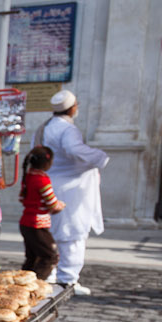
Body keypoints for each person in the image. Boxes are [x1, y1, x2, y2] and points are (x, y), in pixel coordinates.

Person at [31, 90, 108, 295]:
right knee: (73, 233)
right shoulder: (67, 130)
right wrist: (99, 157)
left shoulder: (44, 128)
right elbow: (74, 150)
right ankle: (68, 279)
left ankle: (51, 275)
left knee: (52, 232)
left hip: (52, 184)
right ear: (73, 108)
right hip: (70, 190)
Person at [18, 146, 65, 281]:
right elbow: (52, 203)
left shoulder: (28, 176)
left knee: (32, 257)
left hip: (26, 222)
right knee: (50, 256)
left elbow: (22, 198)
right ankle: (36, 284)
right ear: (47, 163)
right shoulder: (42, 179)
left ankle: (22, 282)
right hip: (37, 224)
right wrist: (60, 205)